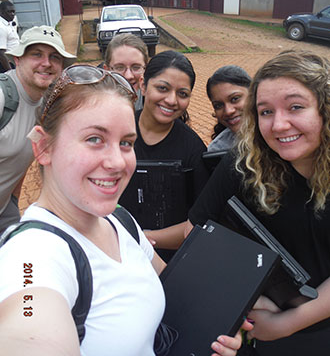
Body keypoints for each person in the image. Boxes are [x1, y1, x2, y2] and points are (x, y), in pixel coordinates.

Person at [0, 64, 251, 356]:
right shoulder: (30, 257)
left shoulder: (120, 221)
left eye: (126, 143)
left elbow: (177, 293)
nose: (118, 162)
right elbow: (28, 322)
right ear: (43, 147)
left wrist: (215, 326)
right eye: (95, 139)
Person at [186, 51, 330, 356]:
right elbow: (196, 236)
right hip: (259, 332)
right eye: (265, 112)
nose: (279, 125)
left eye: (295, 107)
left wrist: (286, 323)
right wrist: (242, 295)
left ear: (324, 110)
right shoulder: (242, 164)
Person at [119, 50, 210, 260]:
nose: (171, 100)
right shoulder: (118, 131)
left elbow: (202, 222)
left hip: (172, 261)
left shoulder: (193, 149)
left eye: (182, 94)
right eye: (162, 88)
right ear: (143, 85)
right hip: (113, 251)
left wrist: (141, 239)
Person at [0, 25, 76, 234]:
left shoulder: (47, 104)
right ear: (17, 60)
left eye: (54, 57)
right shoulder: (3, 96)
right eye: (36, 54)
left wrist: (13, 204)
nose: (46, 63)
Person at [207, 65, 251, 152]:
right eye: (218, 105)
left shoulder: (278, 132)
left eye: (235, 99)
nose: (228, 111)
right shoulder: (217, 150)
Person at [104, 33, 148, 110]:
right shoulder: (92, 105)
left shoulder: (154, 102)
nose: (128, 76)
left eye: (136, 67)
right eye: (120, 68)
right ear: (106, 70)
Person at [0, 1, 19, 72]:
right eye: (9, 12)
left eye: (13, 12)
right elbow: (1, 53)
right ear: (1, 12)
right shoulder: (1, 27)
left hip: (14, 61)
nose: (12, 14)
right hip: (7, 64)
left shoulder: (9, 22)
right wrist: (10, 72)